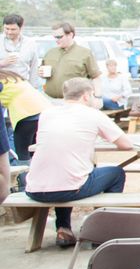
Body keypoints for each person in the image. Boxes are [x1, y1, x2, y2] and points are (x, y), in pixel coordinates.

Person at [24, 77, 132, 247]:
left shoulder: (47, 114)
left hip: (35, 187)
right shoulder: (92, 114)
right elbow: (126, 144)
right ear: (87, 96)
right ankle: (104, 230)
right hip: (70, 187)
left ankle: (64, 228)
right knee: (116, 173)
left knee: (68, 172)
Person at [0, 71, 51, 164]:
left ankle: (24, 176)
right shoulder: (8, 75)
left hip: (26, 114)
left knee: (22, 154)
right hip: (44, 109)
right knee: (34, 151)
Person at [41, 22, 101, 99]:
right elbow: (42, 71)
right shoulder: (50, 52)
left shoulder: (85, 53)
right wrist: (41, 73)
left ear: (70, 35)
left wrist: (98, 97)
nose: (56, 40)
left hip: (75, 102)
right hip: (50, 100)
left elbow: (96, 77)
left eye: (59, 37)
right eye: (55, 37)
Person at [2, 14, 41, 89]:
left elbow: (34, 67)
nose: (9, 32)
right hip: (2, 87)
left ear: (21, 28)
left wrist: (33, 88)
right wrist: (2, 63)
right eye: (6, 29)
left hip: (22, 87)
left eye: (13, 29)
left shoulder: (30, 43)